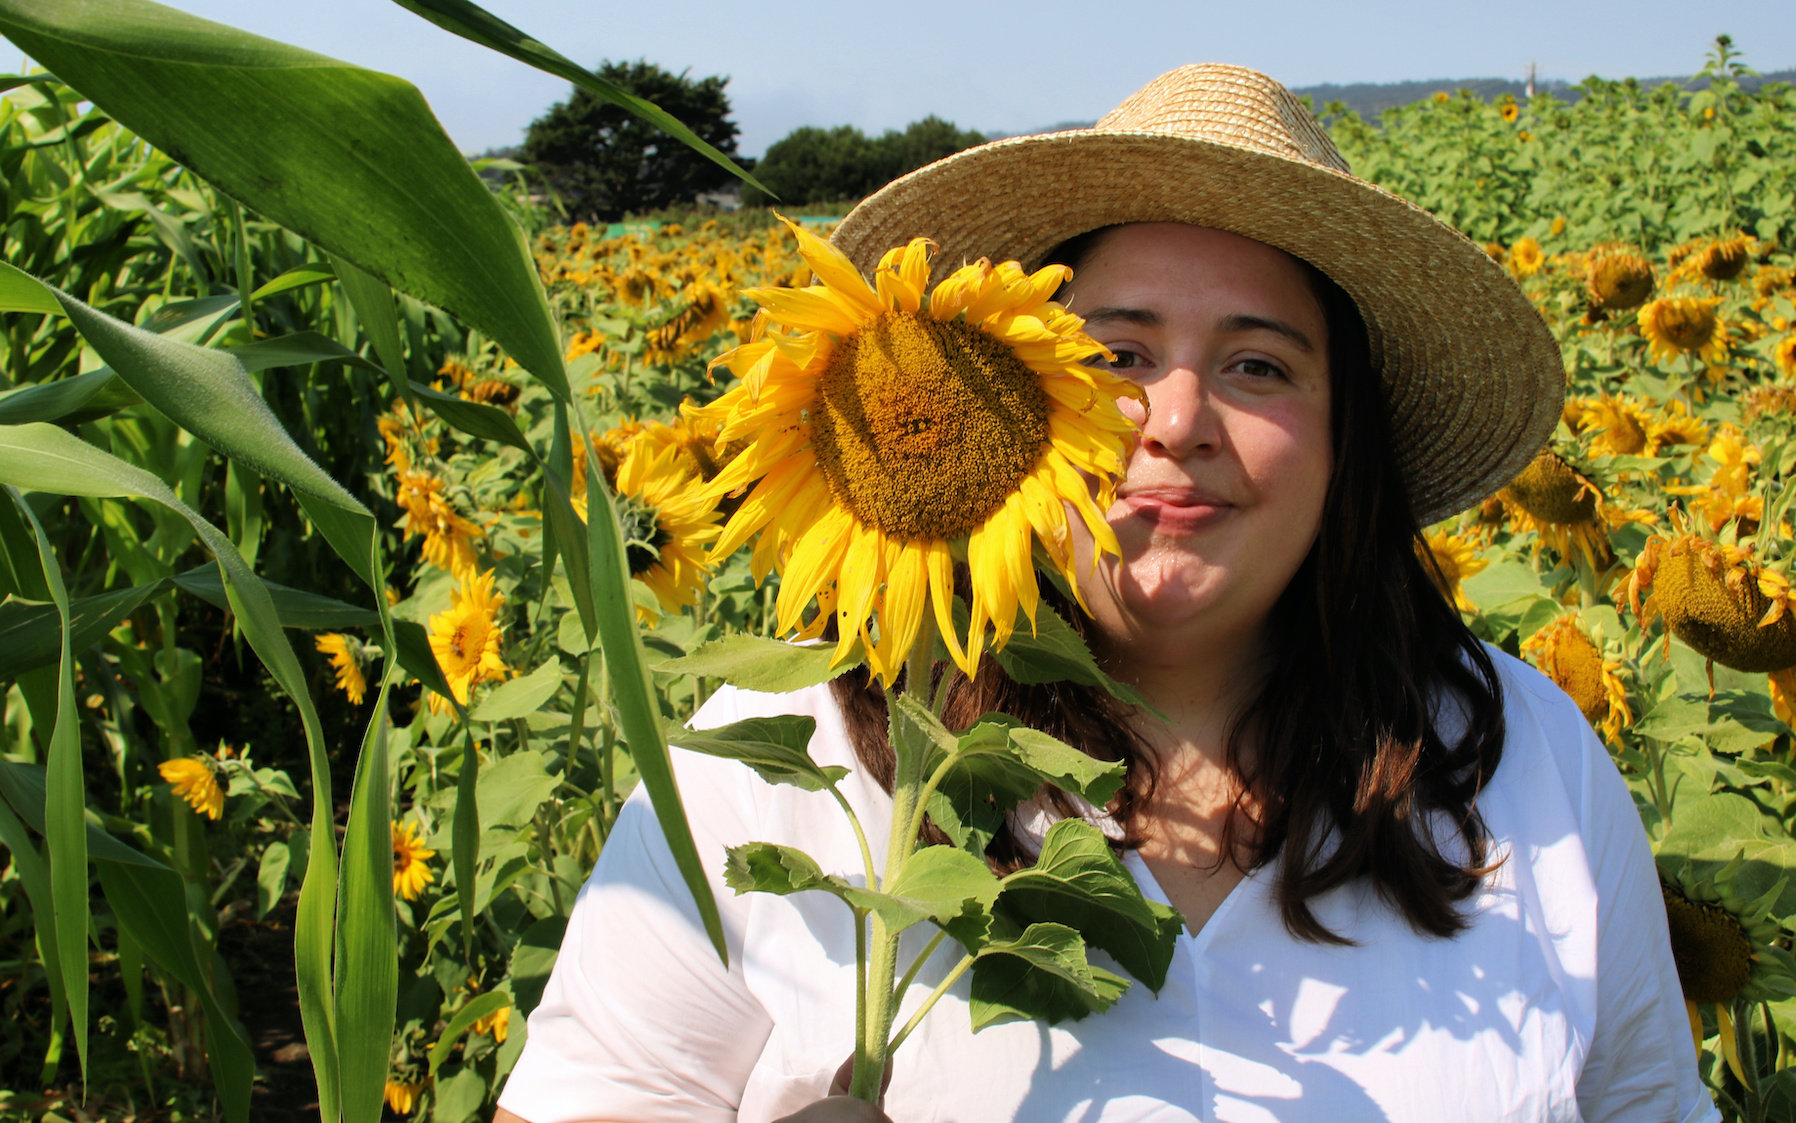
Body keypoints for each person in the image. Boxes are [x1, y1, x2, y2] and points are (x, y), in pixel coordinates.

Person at [495, 64, 1715, 1123]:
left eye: (1256, 364)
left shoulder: (1520, 763)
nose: (1175, 423)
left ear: (1348, 441)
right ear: (1006, 390)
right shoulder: (781, 761)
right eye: (1115, 356)